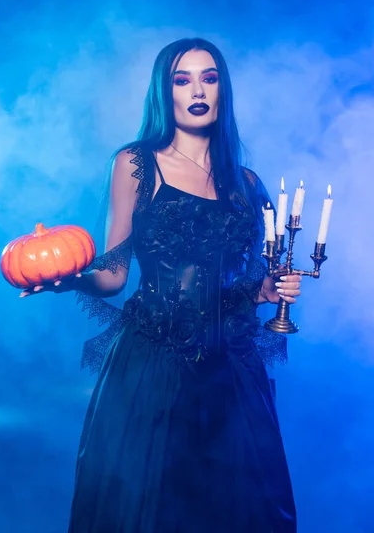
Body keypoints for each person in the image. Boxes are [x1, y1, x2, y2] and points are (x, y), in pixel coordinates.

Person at [21, 38, 301, 532]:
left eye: (209, 78)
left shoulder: (248, 183)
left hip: (229, 368)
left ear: (222, 90)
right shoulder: (136, 163)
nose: (197, 90)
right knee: (150, 510)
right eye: (182, 79)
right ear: (164, 91)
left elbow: (245, 285)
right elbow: (113, 274)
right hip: (152, 364)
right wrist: (68, 280)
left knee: (237, 510)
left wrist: (267, 291)